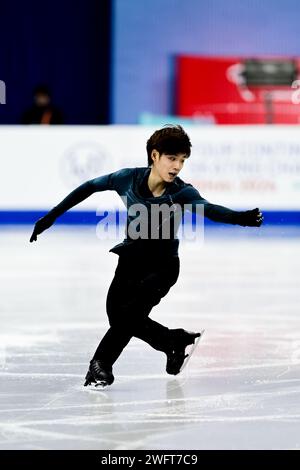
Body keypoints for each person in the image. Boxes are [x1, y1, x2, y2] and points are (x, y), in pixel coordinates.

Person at [29, 125, 263, 387]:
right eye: (172, 158)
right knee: (117, 316)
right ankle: (172, 342)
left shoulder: (182, 192)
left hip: (162, 267)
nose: (177, 166)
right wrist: (50, 217)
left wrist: (239, 218)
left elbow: (208, 209)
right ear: (155, 155)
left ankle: (101, 365)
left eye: (183, 160)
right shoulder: (126, 178)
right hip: (130, 260)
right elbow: (89, 186)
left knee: (128, 316)